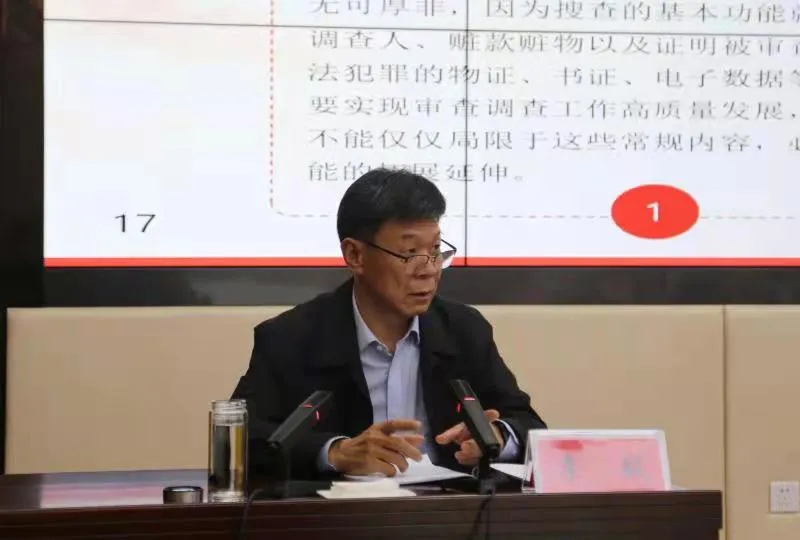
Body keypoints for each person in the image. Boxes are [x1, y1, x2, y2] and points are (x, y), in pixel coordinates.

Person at [231, 168, 546, 479]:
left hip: (445, 506)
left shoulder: (463, 330)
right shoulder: (291, 337)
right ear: (355, 255)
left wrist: (496, 437)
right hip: (340, 508)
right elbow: (244, 439)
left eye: (436, 250)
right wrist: (334, 453)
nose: (429, 269)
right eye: (409, 253)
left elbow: (528, 425)